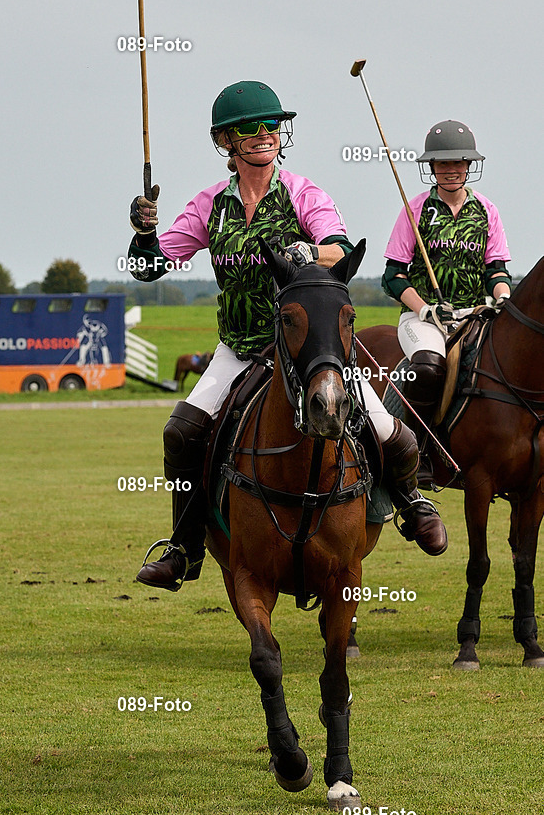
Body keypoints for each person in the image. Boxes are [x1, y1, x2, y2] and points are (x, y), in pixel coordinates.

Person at [129, 80, 447, 592]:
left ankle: (412, 501)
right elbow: (149, 268)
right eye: (248, 128)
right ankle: (185, 546)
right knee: (180, 433)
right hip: (239, 350)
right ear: (226, 142)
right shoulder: (209, 206)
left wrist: (301, 249)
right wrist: (143, 234)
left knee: (389, 429)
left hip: (306, 351)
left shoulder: (304, 194)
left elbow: (338, 250)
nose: (263, 134)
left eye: (271, 125)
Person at [382, 120, 512, 466]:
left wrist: (502, 297)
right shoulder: (416, 210)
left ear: (470, 166)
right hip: (422, 319)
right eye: (444, 164)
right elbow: (393, 276)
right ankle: (418, 452)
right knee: (427, 368)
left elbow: (495, 269)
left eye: (459, 163)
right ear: (432, 168)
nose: (452, 170)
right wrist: (425, 309)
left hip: (472, 316)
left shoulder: (486, 210)